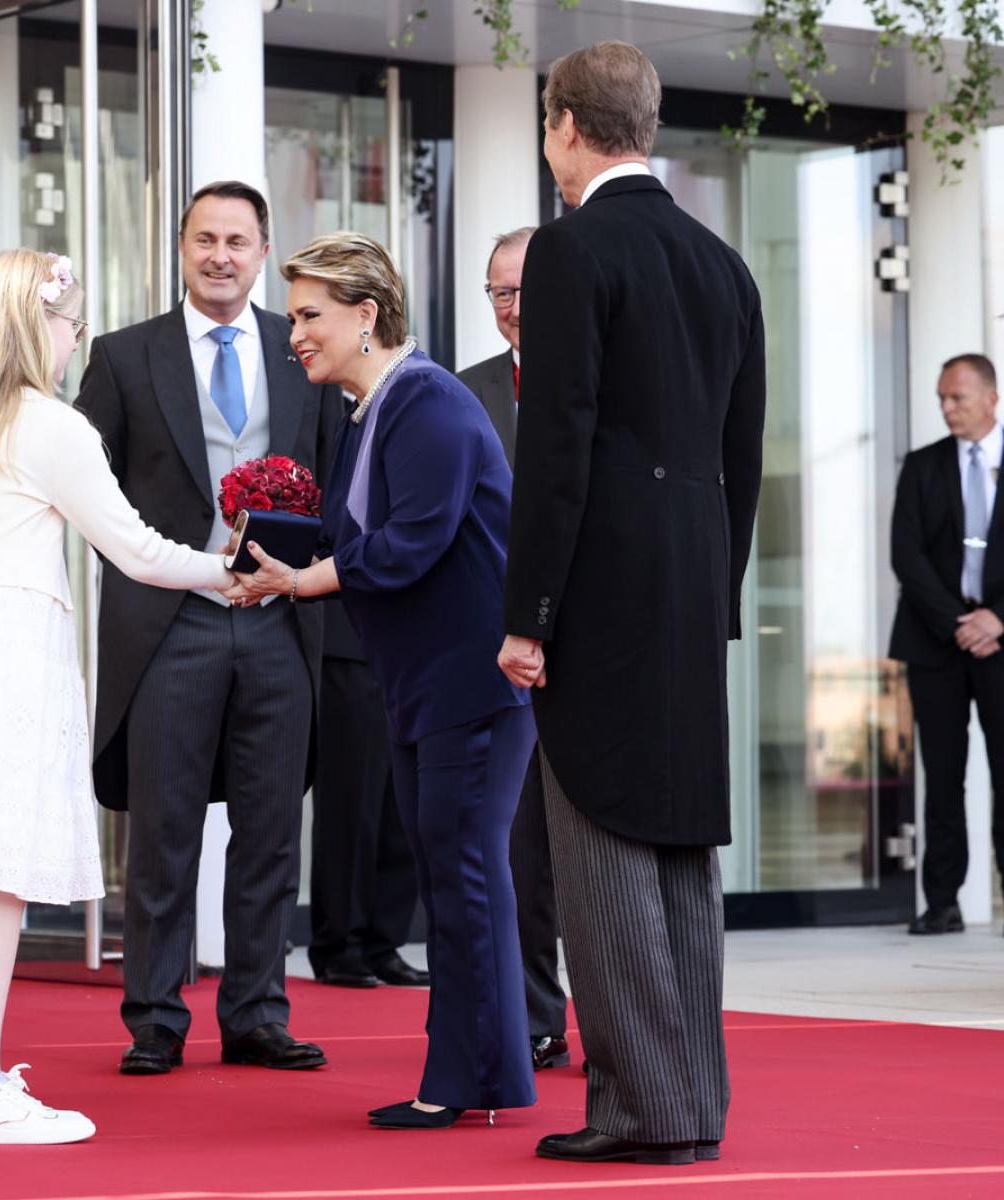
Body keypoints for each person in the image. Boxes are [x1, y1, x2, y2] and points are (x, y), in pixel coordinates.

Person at [0, 250, 236, 1145]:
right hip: (8, 657)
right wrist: (232, 572)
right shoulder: (51, 426)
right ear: (39, 327)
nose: (76, 339)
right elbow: (135, 549)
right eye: (71, 323)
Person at [497, 41, 766, 1166]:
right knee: (678, 855)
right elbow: (740, 456)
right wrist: (714, 595)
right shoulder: (722, 264)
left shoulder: (570, 252)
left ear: (564, 125)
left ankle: (637, 1111)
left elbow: (554, 448)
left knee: (600, 846)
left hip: (598, 592)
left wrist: (527, 615)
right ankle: (689, 1103)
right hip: (688, 592)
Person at [226, 232, 536, 1130]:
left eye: (311, 316)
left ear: (368, 315)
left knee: (464, 876)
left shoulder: (427, 401)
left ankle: (460, 1083)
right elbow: (364, 535)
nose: (295, 335)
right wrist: (277, 552)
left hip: (469, 689)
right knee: (457, 877)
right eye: (294, 318)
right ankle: (478, 1076)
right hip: (428, 684)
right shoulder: (376, 408)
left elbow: (411, 544)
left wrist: (299, 579)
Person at [75, 181, 345, 1076]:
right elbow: (89, 486)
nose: (221, 255)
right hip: (170, 625)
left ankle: (257, 1011)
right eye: (205, 239)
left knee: (271, 829)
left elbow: (338, 479)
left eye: (238, 240)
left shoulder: (300, 348)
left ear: (264, 251)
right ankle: (155, 1015)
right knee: (164, 830)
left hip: (279, 619)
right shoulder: (123, 358)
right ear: (181, 249)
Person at [457, 226, 570, 1072]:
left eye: (526, 288)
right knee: (519, 846)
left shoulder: (608, 379)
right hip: (500, 652)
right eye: (499, 293)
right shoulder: (466, 394)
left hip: (595, 645)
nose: (513, 307)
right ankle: (536, 1014)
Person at [890, 353, 1004, 936]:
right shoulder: (924, 465)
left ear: (991, 397)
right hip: (936, 644)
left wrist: (996, 620)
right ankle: (942, 902)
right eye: (941, 398)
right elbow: (905, 555)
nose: (946, 408)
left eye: (957, 397)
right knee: (943, 775)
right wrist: (959, 622)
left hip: (1001, 644)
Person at [308, 603, 428, 990]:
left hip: (418, 641)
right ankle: (341, 944)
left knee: (405, 802)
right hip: (351, 631)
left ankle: (382, 942)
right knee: (351, 797)